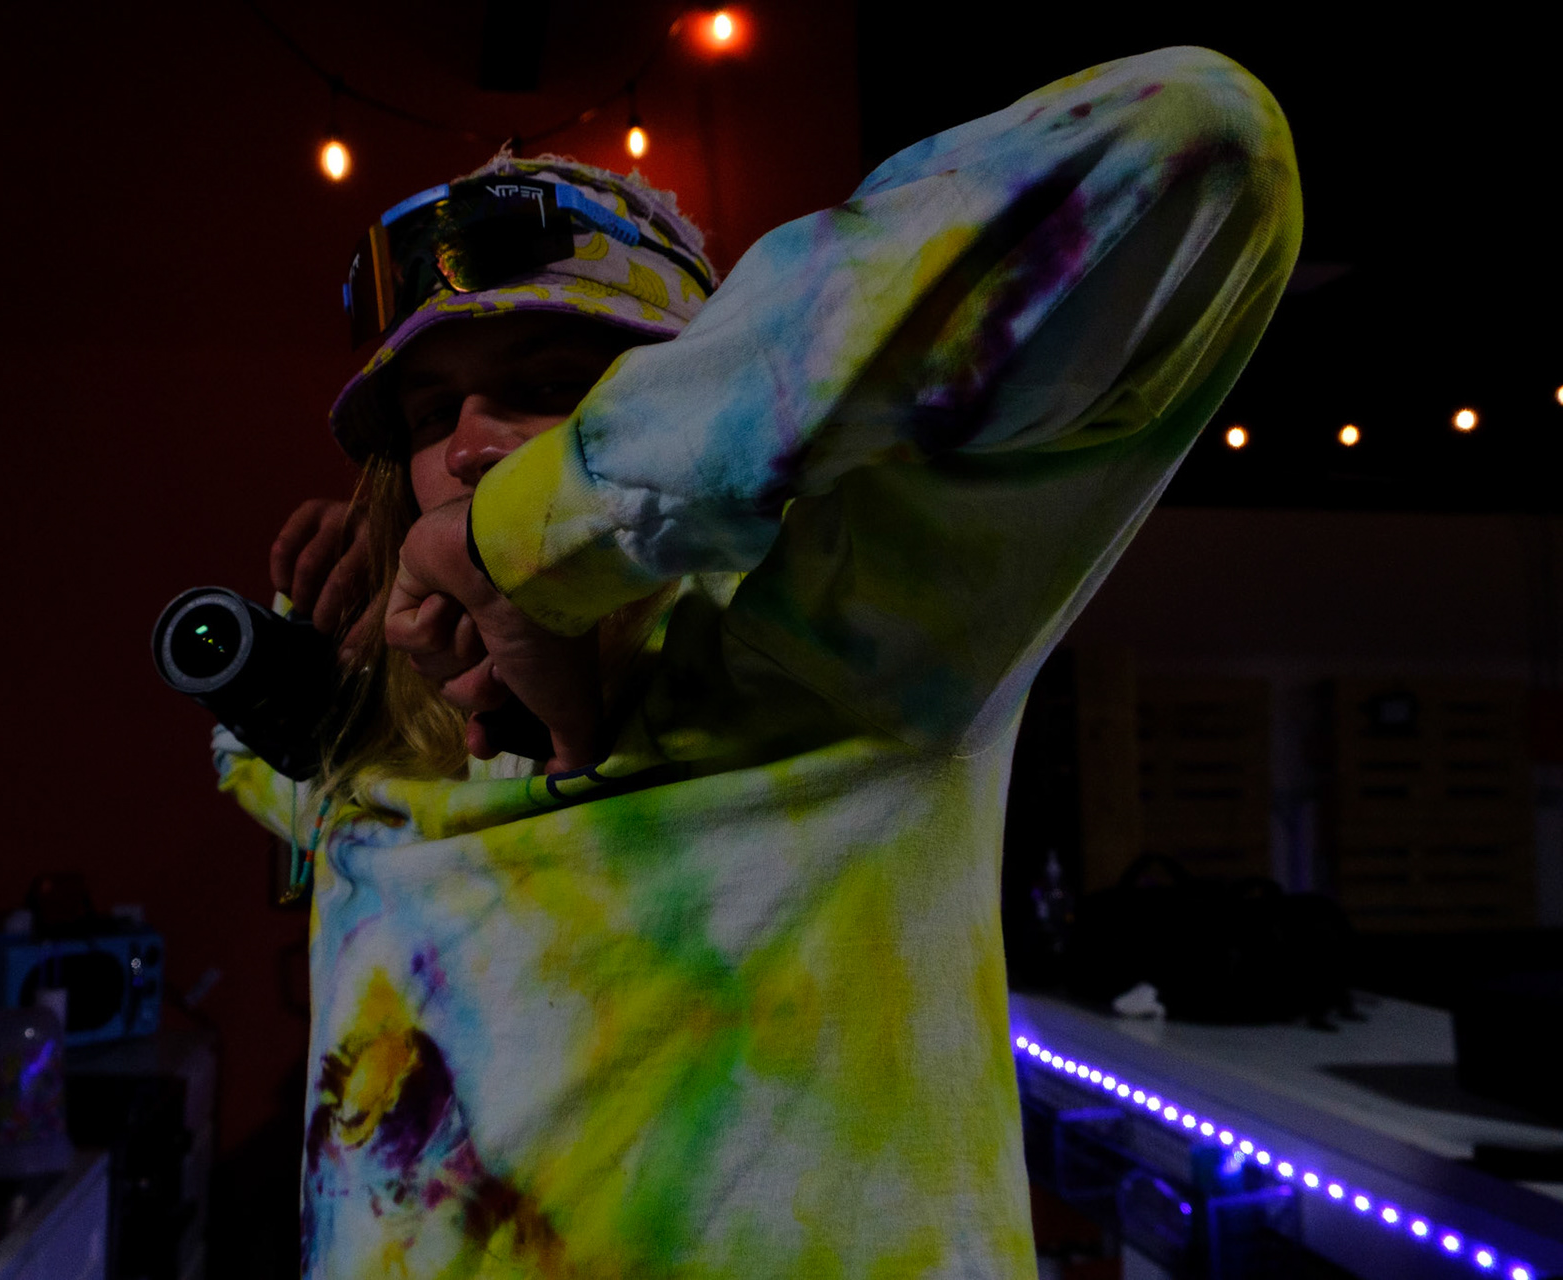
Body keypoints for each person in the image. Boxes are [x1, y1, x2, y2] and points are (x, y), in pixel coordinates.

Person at [218, 45, 1301, 1278]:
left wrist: (541, 531)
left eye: (550, 384)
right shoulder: (378, 733)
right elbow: (244, 744)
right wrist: (331, 606)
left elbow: (1197, 140)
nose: (468, 448)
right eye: (430, 415)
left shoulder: (847, 647)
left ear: (698, 391)